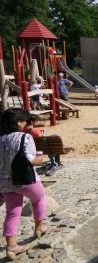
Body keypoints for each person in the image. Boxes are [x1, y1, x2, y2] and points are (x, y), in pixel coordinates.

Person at [0, 108, 47, 261]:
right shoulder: (24, 137)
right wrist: (40, 155)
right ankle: (39, 227)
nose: (26, 123)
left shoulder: (0, 138)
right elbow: (31, 160)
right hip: (25, 180)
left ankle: (11, 246)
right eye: (24, 121)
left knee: (12, 212)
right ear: (17, 122)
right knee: (38, 199)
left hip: (5, 181)